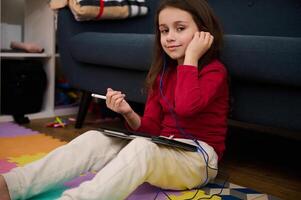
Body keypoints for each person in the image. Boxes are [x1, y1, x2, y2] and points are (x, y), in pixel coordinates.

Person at [0, 0, 229, 199]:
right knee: (93, 138)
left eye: (180, 28)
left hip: (198, 159)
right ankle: (11, 186)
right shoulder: (163, 76)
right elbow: (150, 129)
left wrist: (190, 58)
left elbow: (187, 107)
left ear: (203, 33)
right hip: (162, 148)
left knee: (143, 148)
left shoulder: (214, 71)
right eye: (164, 30)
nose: (169, 37)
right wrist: (128, 113)